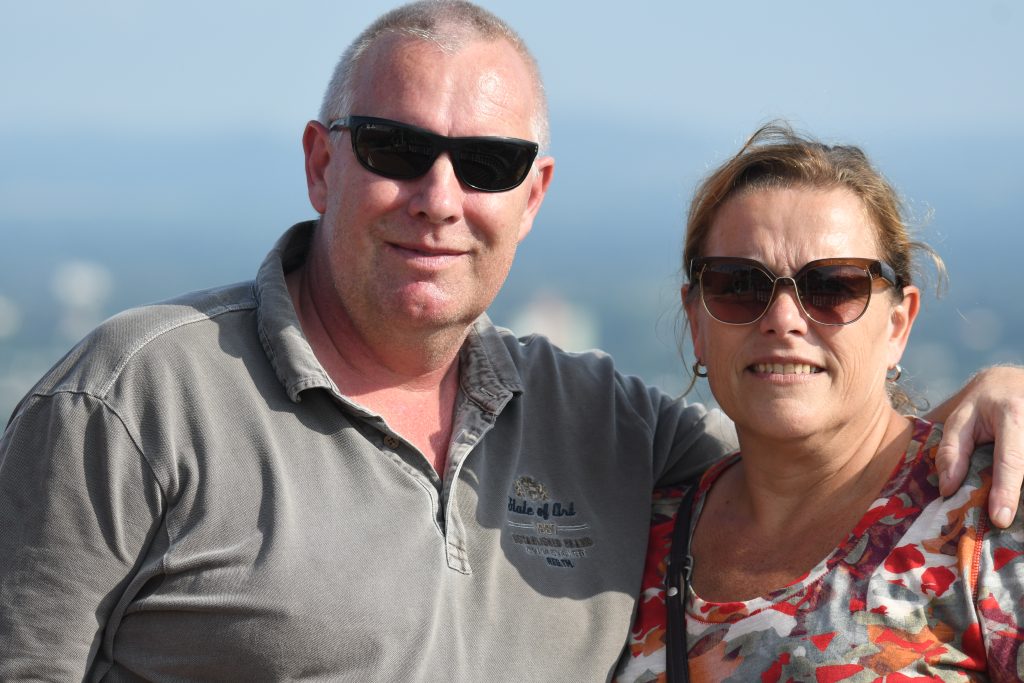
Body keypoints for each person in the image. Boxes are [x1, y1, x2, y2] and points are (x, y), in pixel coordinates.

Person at [0, 2, 1020, 679]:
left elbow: (812, 440)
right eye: (395, 149)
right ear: (320, 165)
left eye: (486, 163)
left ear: (532, 197)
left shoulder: (611, 434)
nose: (439, 198)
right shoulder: (135, 401)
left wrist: (999, 398)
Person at [616, 124, 1024, 681]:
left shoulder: (991, 517)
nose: (783, 320)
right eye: (740, 286)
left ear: (897, 325)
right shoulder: (638, 537)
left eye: (832, 286)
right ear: (697, 323)